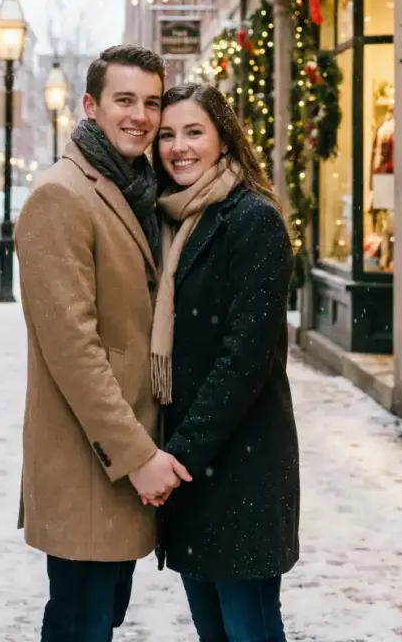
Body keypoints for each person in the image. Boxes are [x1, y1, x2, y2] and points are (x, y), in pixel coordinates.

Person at [14, 44, 191, 642]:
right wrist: (138, 457)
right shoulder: (61, 196)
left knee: (99, 616)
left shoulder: (138, 188)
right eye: (124, 100)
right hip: (90, 459)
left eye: (151, 102)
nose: (140, 115)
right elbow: (75, 351)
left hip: (123, 452)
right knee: (81, 622)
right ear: (90, 106)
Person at [152, 82, 300, 642]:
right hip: (194, 476)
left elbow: (245, 358)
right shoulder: (172, 222)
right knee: (214, 633)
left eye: (194, 132)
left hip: (241, 471)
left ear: (223, 139)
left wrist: (178, 458)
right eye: (167, 135)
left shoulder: (252, 219)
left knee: (250, 630)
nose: (179, 147)